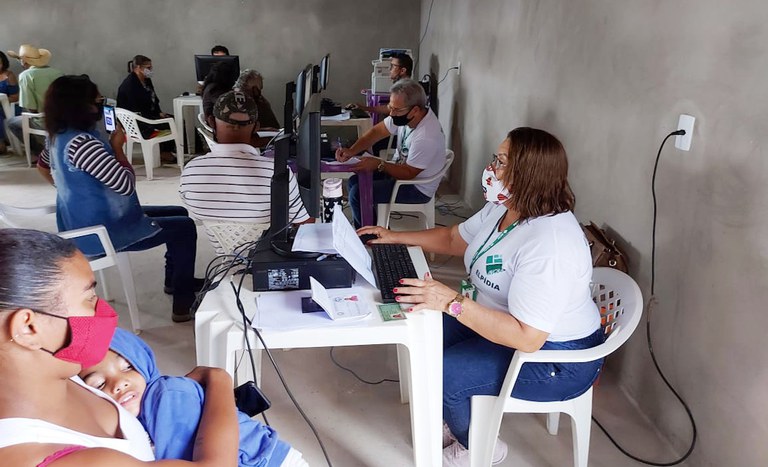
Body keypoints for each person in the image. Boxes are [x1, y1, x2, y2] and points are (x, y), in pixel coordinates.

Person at [358, 127, 605, 466]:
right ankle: (457, 413)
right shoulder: (506, 208)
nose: (491, 168)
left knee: (446, 374)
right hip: (507, 324)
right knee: (421, 329)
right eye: (495, 158)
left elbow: (527, 338)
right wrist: (394, 237)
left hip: (556, 358)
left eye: (501, 162)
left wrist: (450, 302)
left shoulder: (551, 245)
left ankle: (479, 446)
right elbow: (453, 240)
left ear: (529, 175)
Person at [0, 228, 239, 466]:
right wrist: (219, 378)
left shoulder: (57, 374)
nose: (102, 309)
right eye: (90, 297)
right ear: (28, 328)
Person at [38, 75, 201, 322]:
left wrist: (70, 191)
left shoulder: (57, 136)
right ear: (79, 106)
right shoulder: (83, 143)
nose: (100, 107)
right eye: (96, 101)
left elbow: (42, 166)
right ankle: (182, 302)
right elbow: (125, 185)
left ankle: (178, 282)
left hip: (83, 221)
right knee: (185, 228)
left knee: (179, 212)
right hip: (102, 229)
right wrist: (117, 148)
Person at [79, 328, 307, 466]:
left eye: (128, 367)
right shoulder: (129, 416)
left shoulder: (165, 397)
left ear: (144, 363)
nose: (119, 383)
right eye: (98, 383)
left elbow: (180, 458)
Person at [180, 90, 310, 254]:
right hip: (270, 260)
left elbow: (196, 212)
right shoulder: (276, 172)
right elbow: (305, 225)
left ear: (211, 122)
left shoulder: (191, 171)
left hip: (224, 264)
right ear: (256, 127)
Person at [336, 78, 446, 228]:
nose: (392, 113)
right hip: (400, 172)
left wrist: (379, 164)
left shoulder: (427, 135)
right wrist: (352, 150)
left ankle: (368, 238)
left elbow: (408, 173)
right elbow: (377, 131)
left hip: (415, 187)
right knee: (356, 180)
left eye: (397, 110)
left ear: (415, 110)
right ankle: (373, 227)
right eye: (390, 107)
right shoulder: (405, 115)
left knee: (358, 193)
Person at [5, 44, 63, 157]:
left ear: (24, 62)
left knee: (11, 122)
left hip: (44, 120)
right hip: (63, 117)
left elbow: (31, 107)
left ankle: (40, 153)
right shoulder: (57, 72)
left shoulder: (26, 76)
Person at [116, 54, 174, 161]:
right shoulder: (130, 85)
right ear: (138, 68)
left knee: (176, 120)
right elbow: (136, 108)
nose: (150, 70)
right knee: (171, 122)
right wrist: (156, 116)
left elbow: (153, 99)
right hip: (139, 121)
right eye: (148, 68)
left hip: (149, 115)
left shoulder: (146, 81)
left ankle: (169, 150)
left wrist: (159, 112)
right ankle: (164, 153)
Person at [348, 52, 413, 115]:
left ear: (402, 71)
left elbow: (389, 109)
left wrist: (365, 108)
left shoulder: (404, 89)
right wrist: (364, 108)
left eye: (393, 66)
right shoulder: (404, 86)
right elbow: (389, 108)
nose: (389, 69)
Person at [0, 51, 20, 154]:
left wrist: (3, 100)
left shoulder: (9, 75)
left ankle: (1, 144)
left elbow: (15, 97)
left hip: (10, 107)